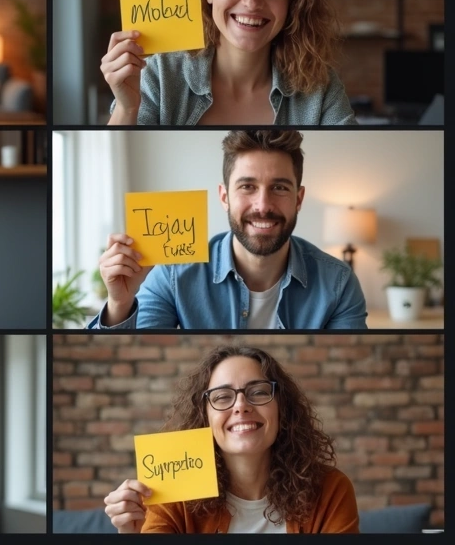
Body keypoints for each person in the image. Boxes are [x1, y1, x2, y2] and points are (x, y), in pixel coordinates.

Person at [88, 130, 367, 329]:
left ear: (299, 198)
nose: (263, 205)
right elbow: (137, 360)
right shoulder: (172, 273)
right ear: (224, 197)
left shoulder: (339, 284)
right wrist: (119, 304)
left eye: (279, 188)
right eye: (247, 187)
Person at [101, 0, 356, 125]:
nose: (252, 1)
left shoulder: (320, 87)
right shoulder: (160, 74)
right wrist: (127, 108)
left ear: (292, 2)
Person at [103, 345, 359, 533]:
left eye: (258, 392)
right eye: (222, 396)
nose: (241, 406)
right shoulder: (172, 493)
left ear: (282, 408)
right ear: (205, 416)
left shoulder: (330, 489)